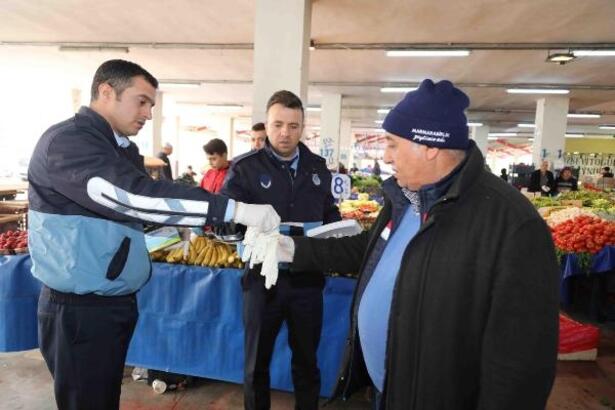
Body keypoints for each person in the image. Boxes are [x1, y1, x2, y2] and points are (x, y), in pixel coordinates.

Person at [248, 79, 559, 410]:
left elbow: (520, 368)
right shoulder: (408, 197)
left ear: (429, 147)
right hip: (385, 391)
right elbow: (365, 250)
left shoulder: (511, 226)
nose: (385, 156)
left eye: (393, 144)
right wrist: (292, 249)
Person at [27, 59, 281, 410]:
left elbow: (141, 205)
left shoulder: (118, 148)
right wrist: (234, 209)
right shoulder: (68, 143)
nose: (147, 113)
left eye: (152, 105)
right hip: (80, 307)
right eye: (141, 101)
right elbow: (132, 198)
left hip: (110, 299)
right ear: (105, 92)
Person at [221, 90, 340, 410]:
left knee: (306, 361)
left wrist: (335, 230)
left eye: (293, 125)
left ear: (303, 127)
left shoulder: (317, 167)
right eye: (277, 125)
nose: (284, 133)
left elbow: (330, 212)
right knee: (256, 364)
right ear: (266, 125)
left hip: (307, 280)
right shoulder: (244, 168)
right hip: (263, 280)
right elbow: (223, 220)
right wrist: (248, 227)